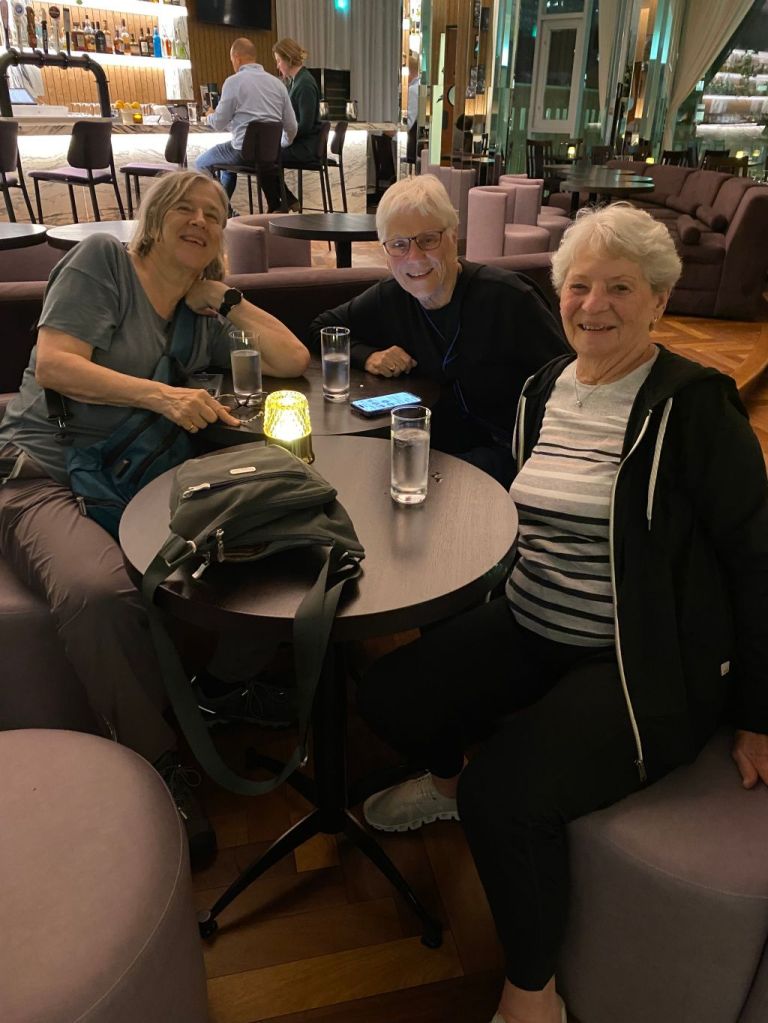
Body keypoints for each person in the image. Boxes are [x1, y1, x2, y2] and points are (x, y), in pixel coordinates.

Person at [356, 203, 768, 1023]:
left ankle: (533, 994)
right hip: (532, 617)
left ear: (659, 300)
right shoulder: (546, 387)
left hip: (637, 652)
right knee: (390, 694)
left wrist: (760, 711)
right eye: (579, 285)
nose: (594, 304)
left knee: (504, 795)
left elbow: (757, 560)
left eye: (622, 287)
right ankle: (445, 782)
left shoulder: (694, 407)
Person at [0, 170, 310, 868]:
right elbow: (55, 365)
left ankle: (222, 690)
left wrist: (224, 297)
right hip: (42, 475)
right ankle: (157, 761)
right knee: (96, 591)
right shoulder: (102, 264)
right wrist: (164, 397)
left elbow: (292, 358)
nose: (199, 221)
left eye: (215, 214)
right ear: (155, 218)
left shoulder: (201, 313)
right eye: (185, 209)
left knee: (271, 537)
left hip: (137, 479)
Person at [309, 175, 569, 485]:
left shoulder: (509, 298)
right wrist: (368, 356)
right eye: (399, 245)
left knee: (392, 481)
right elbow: (320, 328)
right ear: (386, 253)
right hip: (433, 446)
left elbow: (566, 380)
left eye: (428, 239)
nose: (415, 257)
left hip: (509, 453)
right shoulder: (391, 296)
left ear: (453, 236)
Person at [195, 36, 297, 212]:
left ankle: (219, 210)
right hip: (269, 156)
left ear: (236, 58)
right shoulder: (278, 84)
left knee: (201, 163)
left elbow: (218, 123)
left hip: (243, 152)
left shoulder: (233, 82)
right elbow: (292, 126)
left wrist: (209, 115)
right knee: (227, 169)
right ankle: (225, 211)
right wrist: (279, 145)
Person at [273, 37, 322, 211]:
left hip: (305, 147)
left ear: (288, 59)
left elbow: (305, 125)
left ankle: (283, 203)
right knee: (268, 156)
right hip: (302, 143)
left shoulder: (304, 84)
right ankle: (285, 201)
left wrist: (284, 137)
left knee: (267, 157)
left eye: (279, 61)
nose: (278, 66)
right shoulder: (297, 81)